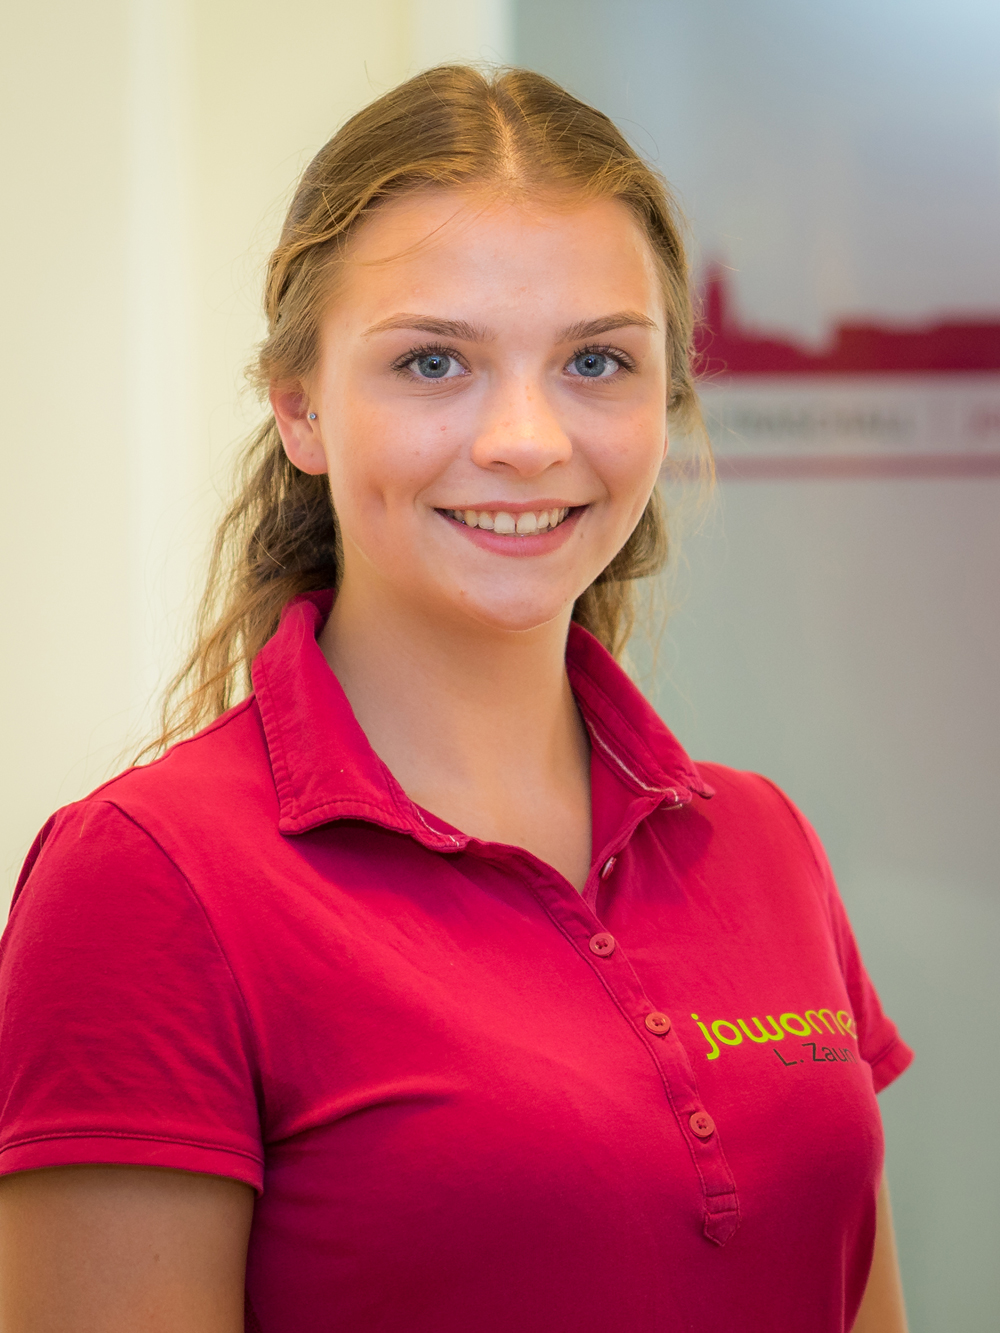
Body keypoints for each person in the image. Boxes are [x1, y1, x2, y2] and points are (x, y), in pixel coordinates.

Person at [0, 66, 911, 1333]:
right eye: (434, 361)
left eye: (596, 359)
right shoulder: (149, 879)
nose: (526, 439)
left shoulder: (763, 840)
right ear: (302, 409)